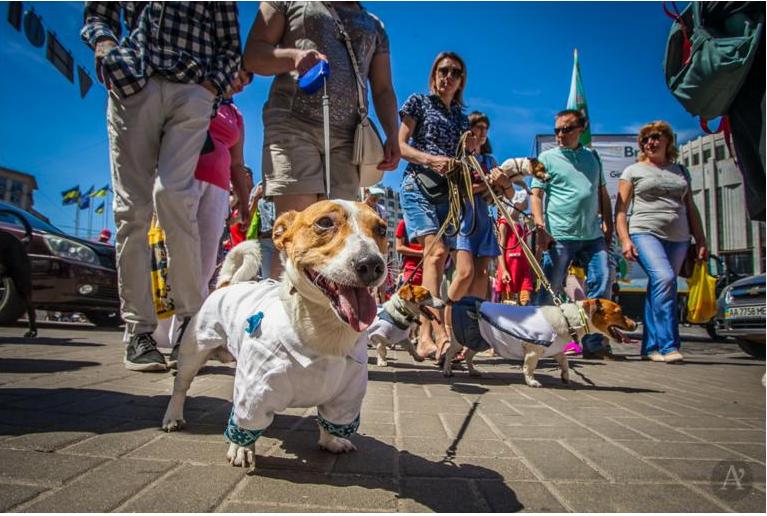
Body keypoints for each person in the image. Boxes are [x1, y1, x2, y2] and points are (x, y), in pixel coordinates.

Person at [81, 2, 241, 371]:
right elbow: (98, 15)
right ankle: (139, 331)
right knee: (132, 211)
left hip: (192, 89)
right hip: (132, 81)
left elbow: (230, 45)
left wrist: (210, 87)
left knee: (172, 195)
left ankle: (190, 321)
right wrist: (107, 49)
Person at [243, 2, 400, 226]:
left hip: (349, 140)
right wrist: (293, 57)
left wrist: (392, 135)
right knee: (299, 232)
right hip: (293, 125)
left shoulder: (375, 26)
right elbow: (252, 55)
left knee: (339, 236)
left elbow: (383, 88)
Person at [156, 70, 253, 364]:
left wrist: (245, 205)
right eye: (240, 73)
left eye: (248, 79)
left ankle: (187, 338)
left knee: (205, 263)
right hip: (180, 177)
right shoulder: (193, 91)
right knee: (172, 255)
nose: (243, 81)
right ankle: (158, 333)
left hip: (218, 190)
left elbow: (237, 163)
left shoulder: (235, 114)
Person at [398, 51, 480, 361]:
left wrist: (469, 149)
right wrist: (431, 159)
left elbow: (463, 157)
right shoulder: (418, 102)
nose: (448, 76)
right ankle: (429, 333)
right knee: (435, 254)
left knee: (444, 263)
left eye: (455, 72)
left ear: (461, 81)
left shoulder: (461, 118)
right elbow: (401, 146)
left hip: (450, 192)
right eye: (443, 70)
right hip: (417, 184)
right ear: (434, 75)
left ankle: (431, 331)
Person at [615, 121, 708, 363]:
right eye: (645, 140)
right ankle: (669, 346)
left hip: (679, 237)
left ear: (668, 140)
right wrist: (625, 240)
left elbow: (691, 208)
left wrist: (700, 240)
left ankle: (650, 347)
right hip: (644, 231)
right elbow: (621, 210)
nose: (650, 143)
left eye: (655, 137)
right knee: (665, 278)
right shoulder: (633, 171)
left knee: (661, 286)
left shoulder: (680, 171)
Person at [531, 109, 617, 360]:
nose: (560, 134)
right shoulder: (544, 158)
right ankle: (537, 338)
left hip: (592, 234)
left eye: (566, 129)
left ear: (581, 128)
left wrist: (608, 225)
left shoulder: (593, 158)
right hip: (559, 234)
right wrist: (540, 226)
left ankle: (593, 341)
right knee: (551, 287)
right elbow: (536, 195)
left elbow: (601, 194)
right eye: (557, 129)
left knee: (602, 280)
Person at [447, 112, 499, 312]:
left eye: (485, 128)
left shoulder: (489, 160)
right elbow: (459, 189)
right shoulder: (458, 158)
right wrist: (487, 184)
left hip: (484, 221)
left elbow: (499, 193)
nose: (481, 131)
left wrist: (499, 184)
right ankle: (448, 327)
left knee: (482, 275)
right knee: (464, 273)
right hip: (463, 221)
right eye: (477, 126)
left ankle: (472, 329)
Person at [495, 190, 534, 305]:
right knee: (509, 302)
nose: (526, 203)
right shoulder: (504, 222)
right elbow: (500, 247)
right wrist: (503, 270)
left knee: (525, 300)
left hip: (523, 266)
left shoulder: (523, 224)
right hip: (509, 266)